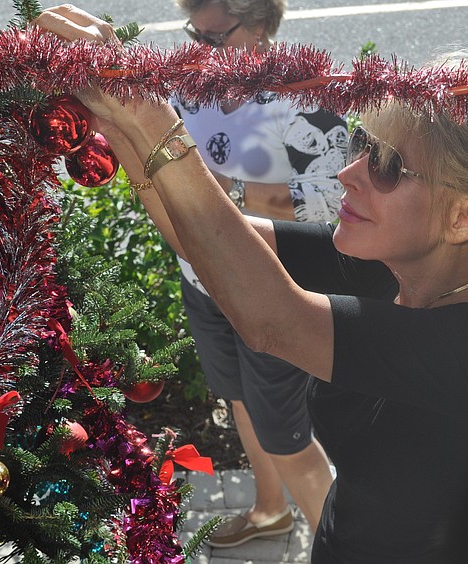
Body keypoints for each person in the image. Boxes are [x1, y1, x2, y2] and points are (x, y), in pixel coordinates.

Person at [36, 7, 468, 562]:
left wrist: (150, 117)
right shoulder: (402, 267)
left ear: (465, 216)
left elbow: (271, 320)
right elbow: (206, 238)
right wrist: (120, 124)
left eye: (385, 164)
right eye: (363, 145)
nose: (347, 172)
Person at [167, 0, 345, 547]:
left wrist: (234, 195)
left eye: (216, 39)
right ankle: (271, 511)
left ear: (263, 22)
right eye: (195, 36)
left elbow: (338, 197)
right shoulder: (188, 78)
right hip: (202, 278)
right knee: (240, 399)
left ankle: (337, 549)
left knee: (285, 433)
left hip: (274, 287)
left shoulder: (306, 92)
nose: (202, 52)